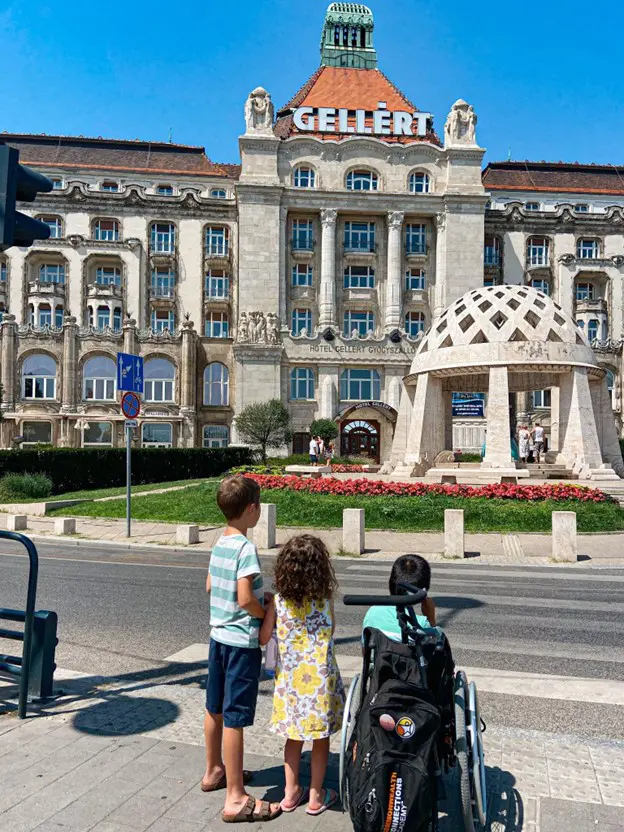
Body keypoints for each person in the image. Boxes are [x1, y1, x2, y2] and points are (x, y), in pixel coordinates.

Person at [203, 475, 281, 823]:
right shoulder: (246, 549)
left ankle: (213, 771)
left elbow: (210, 586)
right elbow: (244, 597)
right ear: (252, 509)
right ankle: (235, 796)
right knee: (235, 718)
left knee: (214, 708)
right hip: (240, 644)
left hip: (217, 636)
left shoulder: (220, 542)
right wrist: (266, 611)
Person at [260, 534, 345, 816]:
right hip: (321, 680)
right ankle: (315, 796)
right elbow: (329, 633)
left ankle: (290, 792)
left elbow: (264, 638)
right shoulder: (325, 600)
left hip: (291, 684)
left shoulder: (279, 602)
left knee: (293, 739)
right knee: (321, 740)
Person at [362, 554, 440, 642]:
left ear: (391, 582)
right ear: (423, 589)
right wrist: (431, 619)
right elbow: (434, 651)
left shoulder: (373, 613)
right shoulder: (422, 623)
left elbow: (366, 650)